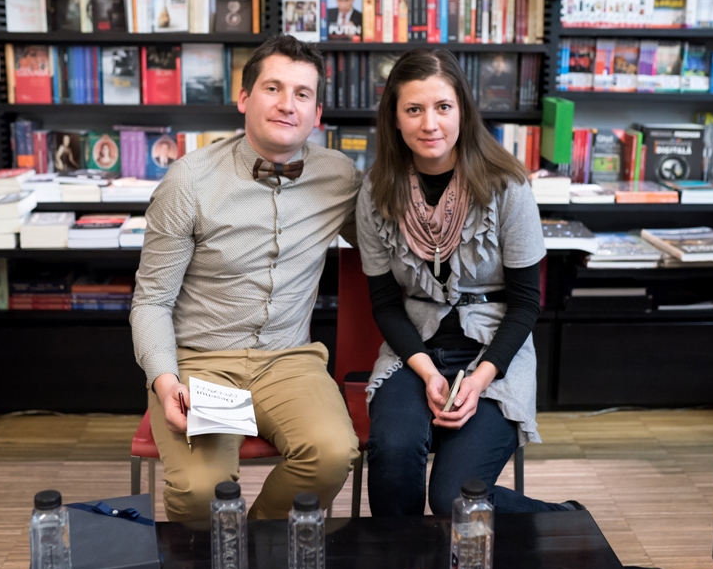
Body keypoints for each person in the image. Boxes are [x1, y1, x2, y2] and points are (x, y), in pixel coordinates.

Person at [130, 35, 361, 522]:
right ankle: (216, 563)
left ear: (317, 113)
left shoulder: (341, 178)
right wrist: (166, 382)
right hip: (201, 361)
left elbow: (389, 242)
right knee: (200, 492)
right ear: (244, 98)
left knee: (333, 453)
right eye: (273, 88)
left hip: (289, 359)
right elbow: (151, 301)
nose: (287, 104)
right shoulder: (188, 181)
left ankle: (253, 551)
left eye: (302, 94)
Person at [355, 48, 582, 517]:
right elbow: (385, 304)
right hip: (414, 353)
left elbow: (526, 303)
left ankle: (564, 521)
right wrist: (427, 372)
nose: (430, 124)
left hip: (494, 356)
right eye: (413, 109)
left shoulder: (507, 185)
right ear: (394, 118)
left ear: (463, 110)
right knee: (393, 456)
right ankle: (402, 560)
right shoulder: (376, 190)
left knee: (454, 499)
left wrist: (479, 380)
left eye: (443, 107)